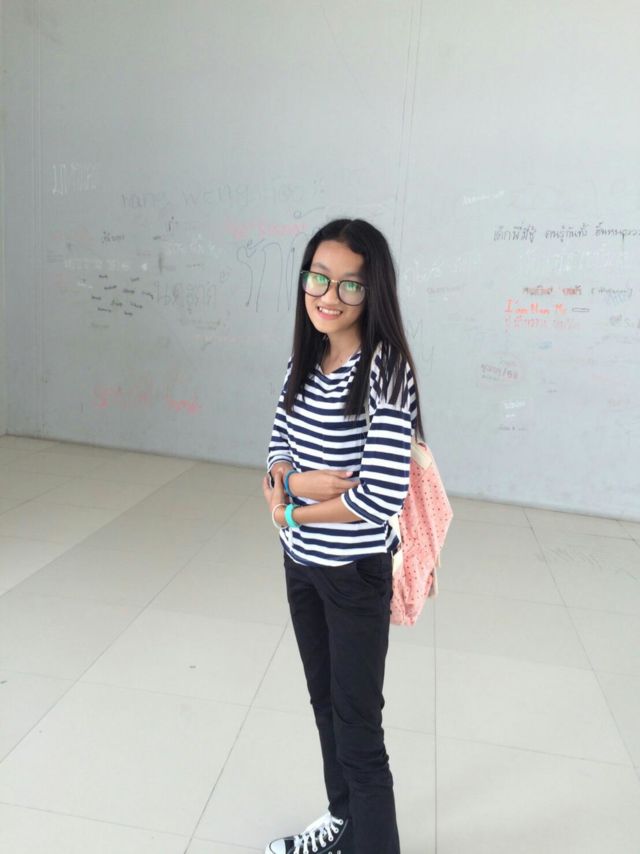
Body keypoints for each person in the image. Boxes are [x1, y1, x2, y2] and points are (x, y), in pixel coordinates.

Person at [262, 218, 423, 854]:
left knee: (359, 730)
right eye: (318, 279)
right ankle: (342, 822)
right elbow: (276, 452)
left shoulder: (385, 369)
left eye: (349, 285)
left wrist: (292, 510)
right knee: (325, 704)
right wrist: (302, 484)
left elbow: (377, 498)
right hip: (301, 565)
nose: (329, 296)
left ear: (372, 291)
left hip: (353, 575)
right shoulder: (304, 361)